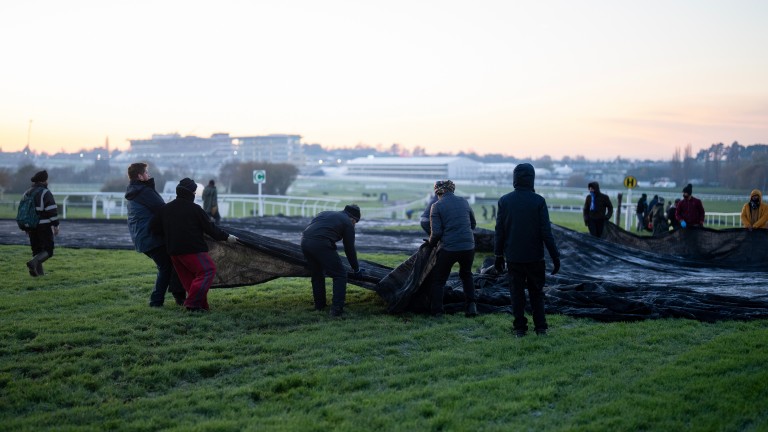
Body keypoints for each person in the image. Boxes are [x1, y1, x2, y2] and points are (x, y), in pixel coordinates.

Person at [151, 178, 238, 312]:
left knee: (190, 281)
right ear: (191, 192)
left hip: (174, 253)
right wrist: (227, 237)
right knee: (208, 270)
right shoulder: (195, 209)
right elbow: (211, 229)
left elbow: (154, 228)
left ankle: (202, 306)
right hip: (193, 250)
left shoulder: (166, 209)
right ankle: (192, 304)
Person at [494, 163, 560, 337]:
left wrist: (498, 255)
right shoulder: (539, 201)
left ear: (515, 179)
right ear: (532, 179)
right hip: (535, 257)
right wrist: (555, 256)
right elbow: (546, 232)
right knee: (537, 293)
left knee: (516, 294)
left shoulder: (505, 201)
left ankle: (520, 329)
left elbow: (499, 231)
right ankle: (540, 328)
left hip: (513, 257)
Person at [125, 162, 185, 307]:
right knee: (167, 267)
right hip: (151, 237)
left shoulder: (135, 191)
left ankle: (178, 297)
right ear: (140, 176)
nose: (149, 175)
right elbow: (163, 210)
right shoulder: (144, 192)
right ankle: (157, 301)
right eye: (146, 173)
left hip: (142, 237)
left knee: (169, 265)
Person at [426, 180, 477, 317]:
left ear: (438, 192)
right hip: (468, 247)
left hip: (449, 248)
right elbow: (473, 223)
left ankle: (437, 311)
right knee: (467, 275)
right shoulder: (464, 202)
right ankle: (471, 307)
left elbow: (436, 233)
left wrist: (430, 245)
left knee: (439, 279)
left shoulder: (436, 206)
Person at [301, 204, 362, 317]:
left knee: (317, 275)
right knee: (340, 275)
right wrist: (356, 268)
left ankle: (319, 306)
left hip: (305, 242)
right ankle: (336, 311)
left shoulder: (325, 213)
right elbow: (349, 248)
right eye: (355, 222)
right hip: (321, 244)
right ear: (353, 218)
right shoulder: (348, 223)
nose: (354, 225)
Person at [23, 170, 60, 277]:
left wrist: (26, 226)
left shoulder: (28, 192)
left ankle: (38, 274)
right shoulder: (45, 193)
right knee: (48, 250)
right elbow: (51, 210)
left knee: (37, 250)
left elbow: (24, 211)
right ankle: (33, 263)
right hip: (43, 226)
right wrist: (56, 225)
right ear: (44, 180)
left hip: (31, 226)